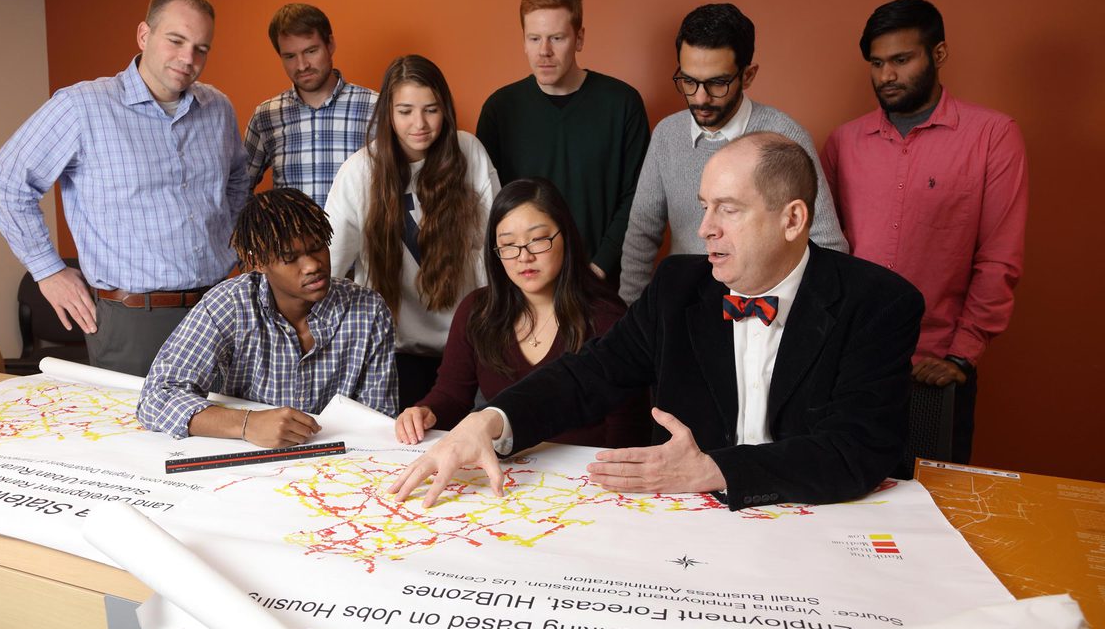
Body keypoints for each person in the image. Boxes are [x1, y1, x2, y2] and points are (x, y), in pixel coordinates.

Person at [390, 133, 923, 510]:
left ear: (793, 219)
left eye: (728, 209)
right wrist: (490, 421)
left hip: (828, 525)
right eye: (703, 206)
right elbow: (588, 375)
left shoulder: (878, 302)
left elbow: (858, 448)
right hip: (698, 527)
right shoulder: (678, 287)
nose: (704, 228)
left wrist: (716, 470)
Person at [0, 0, 249, 377]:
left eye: (201, 48)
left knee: (237, 430)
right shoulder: (82, 106)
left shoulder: (217, 108)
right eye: (176, 40)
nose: (188, 58)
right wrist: (47, 270)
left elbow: (237, 180)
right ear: (144, 35)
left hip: (220, 306)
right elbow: (5, 181)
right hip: (133, 321)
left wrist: (234, 248)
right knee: (139, 437)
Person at [821, 0, 1028, 464]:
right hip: (848, 365)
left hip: (933, 368)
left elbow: (999, 257)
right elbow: (824, 254)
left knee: (933, 507)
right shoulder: (843, 142)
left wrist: (961, 355)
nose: (886, 76)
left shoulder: (992, 136)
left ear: (938, 54)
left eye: (900, 59)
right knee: (840, 506)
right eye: (876, 63)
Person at [619, 3, 847, 305]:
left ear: (748, 76)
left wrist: (794, 326)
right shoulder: (666, 134)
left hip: (768, 317)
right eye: (688, 81)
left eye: (717, 83)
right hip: (685, 311)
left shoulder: (786, 137)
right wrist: (631, 320)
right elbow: (640, 238)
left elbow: (828, 245)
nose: (700, 98)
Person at [396, 178, 648, 448]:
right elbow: (452, 396)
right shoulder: (477, 311)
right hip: (510, 474)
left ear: (566, 236)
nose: (523, 256)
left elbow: (629, 430)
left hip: (585, 479)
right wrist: (425, 412)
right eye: (508, 245)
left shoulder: (607, 318)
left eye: (538, 240)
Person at [137, 188, 396, 446]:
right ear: (259, 262)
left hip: (336, 465)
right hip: (246, 464)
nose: (312, 266)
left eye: (317, 247)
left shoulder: (368, 310)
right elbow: (156, 397)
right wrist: (247, 424)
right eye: (289, 258)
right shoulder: (229, 304)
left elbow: (378, 420)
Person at [327, 55, 499, 408]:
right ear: (388, 113)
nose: (419, 123)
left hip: (467, 349)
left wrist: (494, 330)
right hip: (394, 355)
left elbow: (492, 251)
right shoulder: (359, 172)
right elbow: (328, 265)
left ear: (446, 110)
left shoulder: (469, 152)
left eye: (431, 110)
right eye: (405, 111)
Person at [476, 0, 649, 284]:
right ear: (524, 42)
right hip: (524, 283)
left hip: (601, 282)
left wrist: (599, 266)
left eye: (557, 38)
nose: (544, 51)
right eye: (534, 38)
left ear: (579, 38)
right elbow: (490, 202)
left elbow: (638, 196)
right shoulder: (499, 109)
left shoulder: (622, 103)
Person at [244, 3, 377, 208]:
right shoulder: (266, 116)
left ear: (330, 44)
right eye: (289, 56)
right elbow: (238, 191)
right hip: (291, 240)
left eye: (311, 51)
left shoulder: (375, 107)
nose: (302, 65)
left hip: (360, 240)